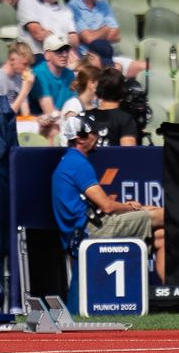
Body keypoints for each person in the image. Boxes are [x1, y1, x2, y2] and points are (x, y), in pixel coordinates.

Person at [51, 107, 164, 273]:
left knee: (161, 236)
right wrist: (131, 206)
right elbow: (107, 207)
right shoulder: (77, 164)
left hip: (85, 229)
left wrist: (133, 207)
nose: (97, 137)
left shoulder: (70, 160)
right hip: (91, 232)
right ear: (80, 139)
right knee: (163, 215)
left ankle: (166, 294)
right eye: (93, 133)